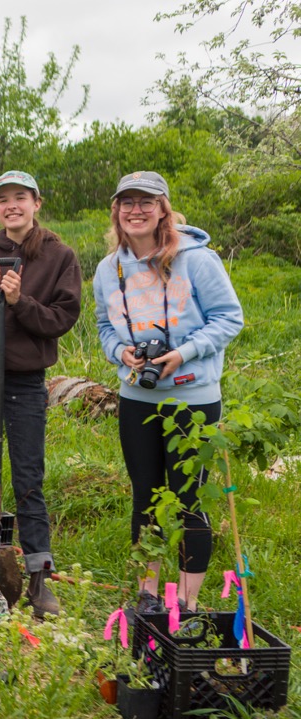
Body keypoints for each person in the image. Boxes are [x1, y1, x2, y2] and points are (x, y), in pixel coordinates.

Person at [94, 171, 243, 613]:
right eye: (127, 203)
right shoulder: (109, 268)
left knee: (188, 498)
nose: (135, 210)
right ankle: (148, 595)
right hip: (137, 398)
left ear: (163, 208)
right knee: (146, 494)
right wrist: (121, 352)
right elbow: (104, 325)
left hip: (192, 399)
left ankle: (188, 604)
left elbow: (229, 318)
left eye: (146, 202)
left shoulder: (197, 259)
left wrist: (185, 353)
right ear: (117, 212)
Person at [0, 170, 82, 618]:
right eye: (3, 200)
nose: (11, 206)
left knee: (27, 475)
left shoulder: (59, 257)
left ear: (36, 203)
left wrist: (20, 301)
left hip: (23, 380)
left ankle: (41, 578)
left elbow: (61, 319)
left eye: (20, 198)